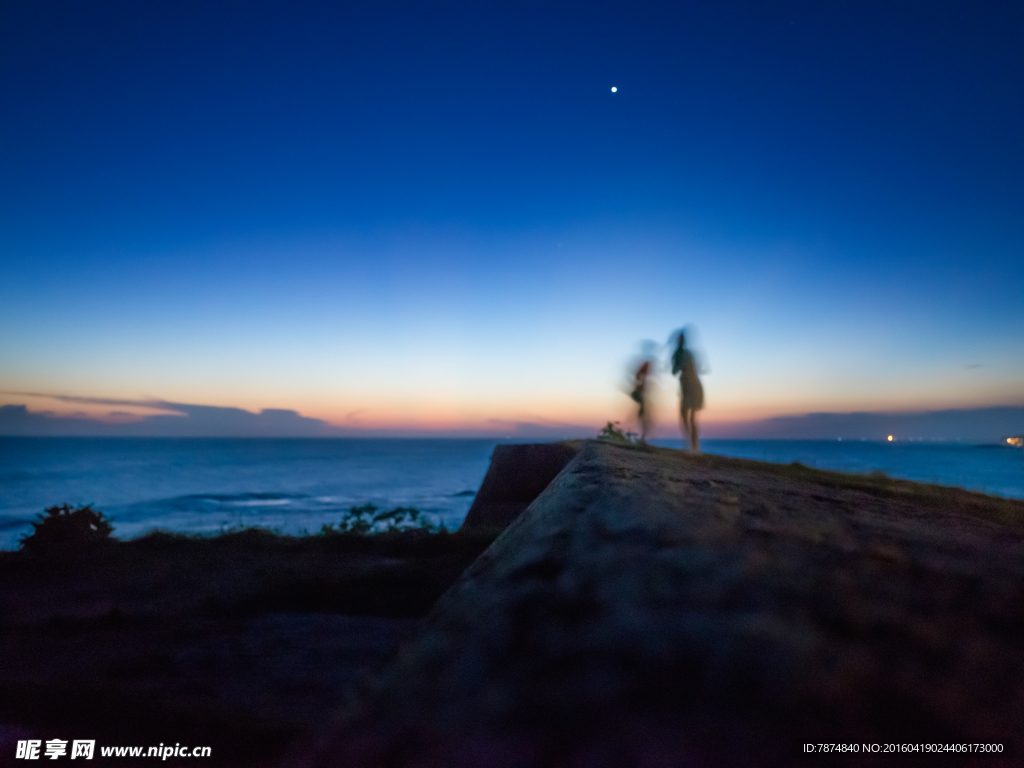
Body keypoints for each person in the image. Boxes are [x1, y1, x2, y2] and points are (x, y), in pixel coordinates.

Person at [671, 330, 703, 451]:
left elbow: (675, 370)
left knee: (690, 417)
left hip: (692, 386)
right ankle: (691, 446)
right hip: (689, 387)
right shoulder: (680, 354)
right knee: (687, 417)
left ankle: (693, 447)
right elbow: (675, 370)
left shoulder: (683, 354)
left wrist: (678, 366)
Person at [631, 357, 653, 443]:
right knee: (643, 417)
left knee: (643, 417)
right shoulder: (643, 377)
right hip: (643, 398)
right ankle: (643, 437)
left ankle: (643, 437)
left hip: (643, 398)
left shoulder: (642, 377)